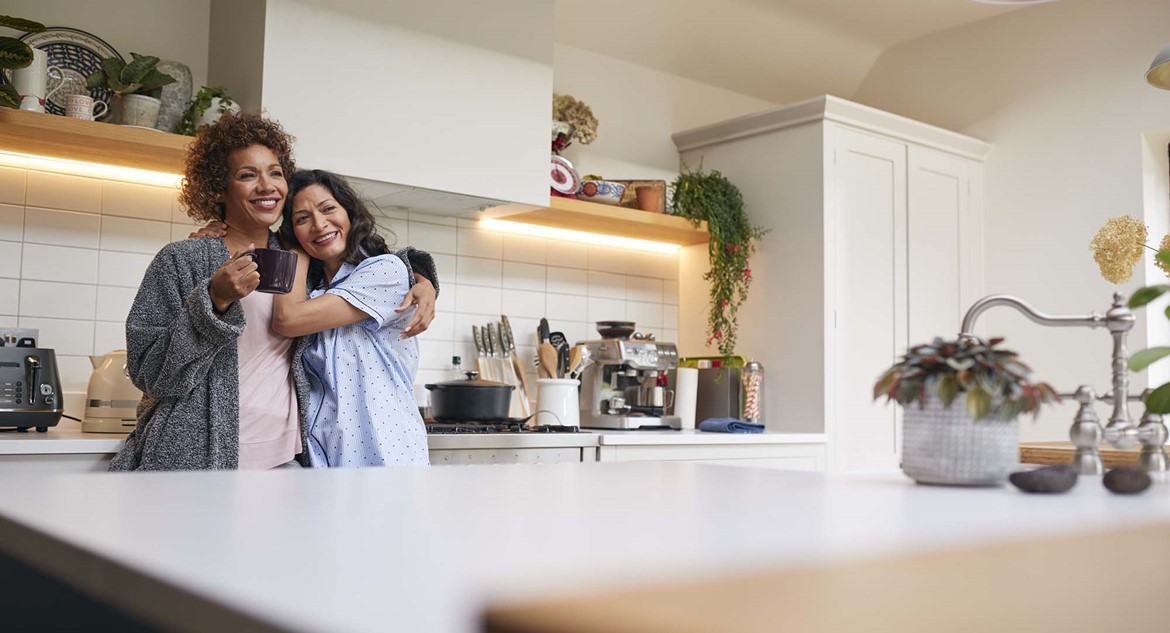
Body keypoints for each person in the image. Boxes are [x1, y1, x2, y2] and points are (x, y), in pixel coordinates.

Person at [109, 113, 437, 471]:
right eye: (247, 175)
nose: (267, 186)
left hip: (288, 463)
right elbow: (150, 374)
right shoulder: (182, 260)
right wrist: (214, 301)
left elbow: (372, 264)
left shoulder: (306, 263)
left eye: (275, 172)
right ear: (219, 189)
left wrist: (423, 278)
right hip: (199, 460)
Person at [271, 170, 430, 467]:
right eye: (302, 219)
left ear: (350, 212)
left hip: (386, 458)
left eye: (328, 208)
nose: (319, 225)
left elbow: (288, 320)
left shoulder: (386, 271)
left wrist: (296, 251)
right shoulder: (311, 291)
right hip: (323, 461)